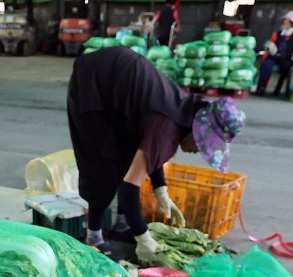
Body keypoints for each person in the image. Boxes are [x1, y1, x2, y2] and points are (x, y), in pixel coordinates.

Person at [67, 46, 246, 261]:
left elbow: (150, 150)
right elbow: (129, 188)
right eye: (203, 143)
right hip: (93, 84)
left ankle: (122, 224)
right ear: (198, 129)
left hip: (119, 86)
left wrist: (161, 189)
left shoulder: (184, 111)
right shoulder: (166, 127)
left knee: (130, 156)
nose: (198, 150)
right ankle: (93, 238)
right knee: (104, 162)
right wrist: (144, 238)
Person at [256, 10, 293, 96]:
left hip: (286, 58)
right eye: (285, 23)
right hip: (274, 57)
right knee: (266, 65)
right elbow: (269, 43)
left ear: (292, 24)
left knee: (286, 68)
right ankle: (261, 87)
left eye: (288, 23)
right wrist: (270, 47)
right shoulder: (277, 34)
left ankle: (277, 89)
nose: (285, 25)